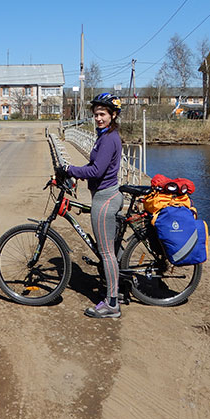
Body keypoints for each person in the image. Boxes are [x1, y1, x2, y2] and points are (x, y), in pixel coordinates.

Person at [56, 93, 124, 319]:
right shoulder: (104, 136)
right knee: (110, 250)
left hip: (105, 200)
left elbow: (96, 171)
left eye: (103, 114)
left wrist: (70, 170)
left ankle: (112, 303)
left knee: (106, 253)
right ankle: (116, 287)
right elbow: (94, 165)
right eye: (96, 115)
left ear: (113, 115)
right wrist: (77, 173)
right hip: (103, 195)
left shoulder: (109, 139)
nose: (98, 118)